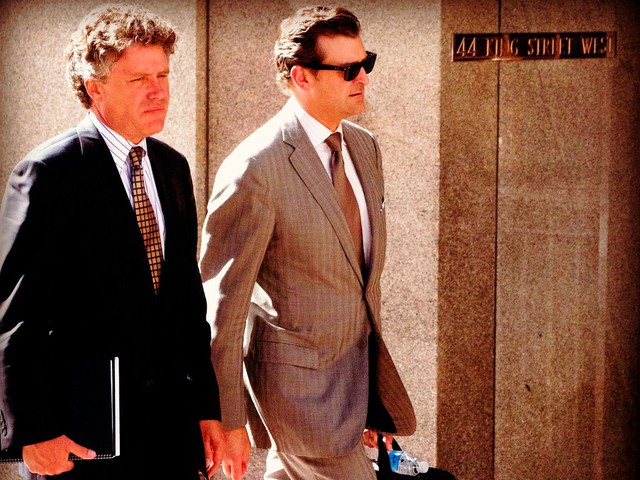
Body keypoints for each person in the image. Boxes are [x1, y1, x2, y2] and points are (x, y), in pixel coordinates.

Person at [0, 4, 224, 479]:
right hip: (82, 442)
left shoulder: (173, 167)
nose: (158, 91)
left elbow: (187, 304)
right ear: (94, 87)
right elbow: (15, 315)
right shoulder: (48, 172)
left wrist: (207, 409)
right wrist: (32, 432)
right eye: (139, 79)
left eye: (163, 75)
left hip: (171, 439)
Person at [199, 5, 416, 479]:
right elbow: (223, 307)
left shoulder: (364, 146)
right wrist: (227, 420)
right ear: (301, 76)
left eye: (366, 63)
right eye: (347, 70)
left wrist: (372, 402)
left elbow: (360, 285)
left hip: (352, 393)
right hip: (299, 399)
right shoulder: (255, 167)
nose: (363, 77)